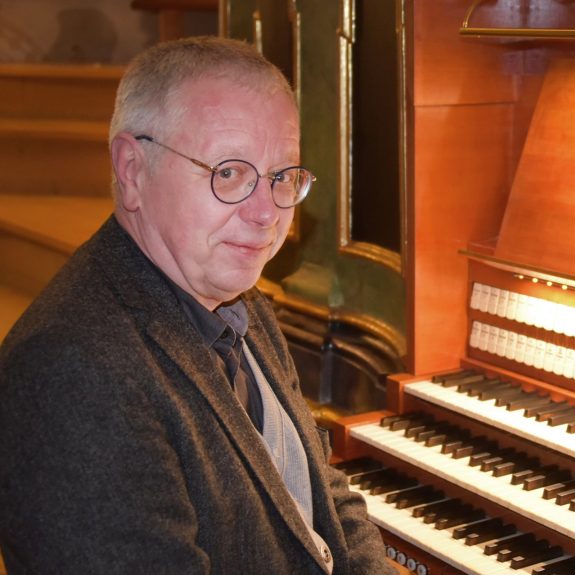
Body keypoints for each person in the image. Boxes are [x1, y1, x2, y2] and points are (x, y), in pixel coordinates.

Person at [0, 36, 398, 575]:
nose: (266, 215)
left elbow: (318, 490)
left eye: (281, 177)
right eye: (229, 173)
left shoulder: (236, 294)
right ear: (132, 170)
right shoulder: (71, 372)